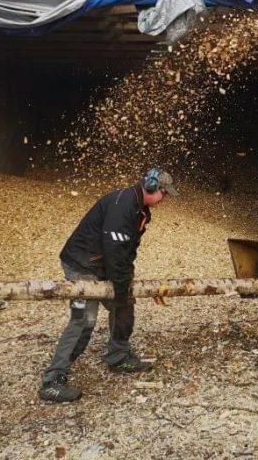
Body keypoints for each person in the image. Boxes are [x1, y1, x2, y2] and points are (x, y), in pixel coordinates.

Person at [39, 168, 179, 402]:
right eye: (163, 194)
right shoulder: (122, 206)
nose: (163, 199)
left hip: (101, 265)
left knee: (123, 306)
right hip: (82, 265)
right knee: (84, 320)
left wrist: (125, 284)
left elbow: (127, 250)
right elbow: (115, 251)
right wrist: (121, 287)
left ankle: (119, 356)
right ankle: (53, 379)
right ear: (153, 187)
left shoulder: (140, 210)